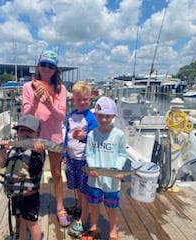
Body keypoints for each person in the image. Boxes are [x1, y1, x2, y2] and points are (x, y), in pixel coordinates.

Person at [21, 50, 71, 227]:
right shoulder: (28, 86)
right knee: (33, 172)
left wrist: (49, 103)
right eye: (44, 64)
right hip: (34, 136)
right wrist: (36, 100)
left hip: (54, 136)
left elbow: (60, 116)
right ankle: (30, 205)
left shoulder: (61, 89)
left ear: (56, 69)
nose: (47, 68)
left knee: (57, 173)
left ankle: (60, 207)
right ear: (38, 66)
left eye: (51, 66)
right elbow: (26, 115)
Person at [82, 96, 127, 240]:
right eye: (101, 116)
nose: (104, 119)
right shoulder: (91, 135)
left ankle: (113, 229)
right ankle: (93, 226)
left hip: (112, 180)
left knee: (112, 207)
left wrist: (117, 169)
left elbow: (122, 154)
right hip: (94, 178)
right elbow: (89, 153)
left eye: (108, 116)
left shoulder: (119, 135)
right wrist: (92, 167)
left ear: (114, 116)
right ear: (95, 115)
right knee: (94, 204)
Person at [0, 114, 45, 240]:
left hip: (30, 196)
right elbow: (2, 164)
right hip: (16, 195)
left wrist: (36, 153)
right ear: (17, 133)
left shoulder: (38, 152)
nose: (25, 133)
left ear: (37, 134)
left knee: (32, 224)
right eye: (22, 130)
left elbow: (35, 170)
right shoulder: (14, 149)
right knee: (20, 221)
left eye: (30, 131)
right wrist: (3, 150)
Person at [63, 81, 98, 237]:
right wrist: (65, 153)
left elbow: (95, 139)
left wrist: (84, 138)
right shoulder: (71, 116)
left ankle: (84, 220)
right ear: (74, 100)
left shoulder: (91, 118)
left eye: (85, 99)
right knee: (77, 186)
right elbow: (67, 136)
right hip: (71, 158)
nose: (82, 102)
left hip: (84, 160)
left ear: (90, 99)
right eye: (79, 99)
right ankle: (79, 207)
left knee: (84, 191)